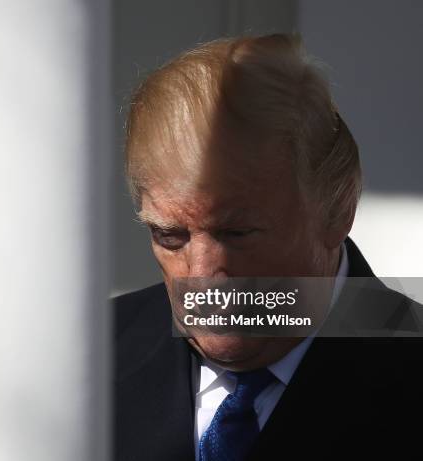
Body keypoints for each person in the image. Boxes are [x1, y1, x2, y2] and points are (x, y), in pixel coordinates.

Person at [112, 34, 423, 460]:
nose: (203, 276)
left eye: (237, 234)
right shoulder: (86, 355)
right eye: (171, 236)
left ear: (336, 210)